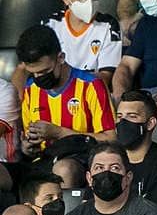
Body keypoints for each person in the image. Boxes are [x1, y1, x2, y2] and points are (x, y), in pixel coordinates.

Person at [16, 23, 117, 185]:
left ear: (60, 58)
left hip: (81, 160)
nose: (39, 77)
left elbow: (111, 139)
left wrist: (60, 133)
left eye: (44, 71)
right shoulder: (31, 89)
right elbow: (32, 144)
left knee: (64, 169)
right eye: (33, 73)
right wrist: (28, 148)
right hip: (44, 162)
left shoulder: (91, 85)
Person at [36, 0, 123, 92]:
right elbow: (29, 68)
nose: (89, 1)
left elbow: (105, 77)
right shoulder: (50, 24)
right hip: (54, 91)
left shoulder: (109, 26)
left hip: (89, 95)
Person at [115, 90, 157, 207]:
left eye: (132, 116)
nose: (123, 122)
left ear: (150, 123)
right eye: (119, 117)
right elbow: (88, 210)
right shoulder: (107, 158)